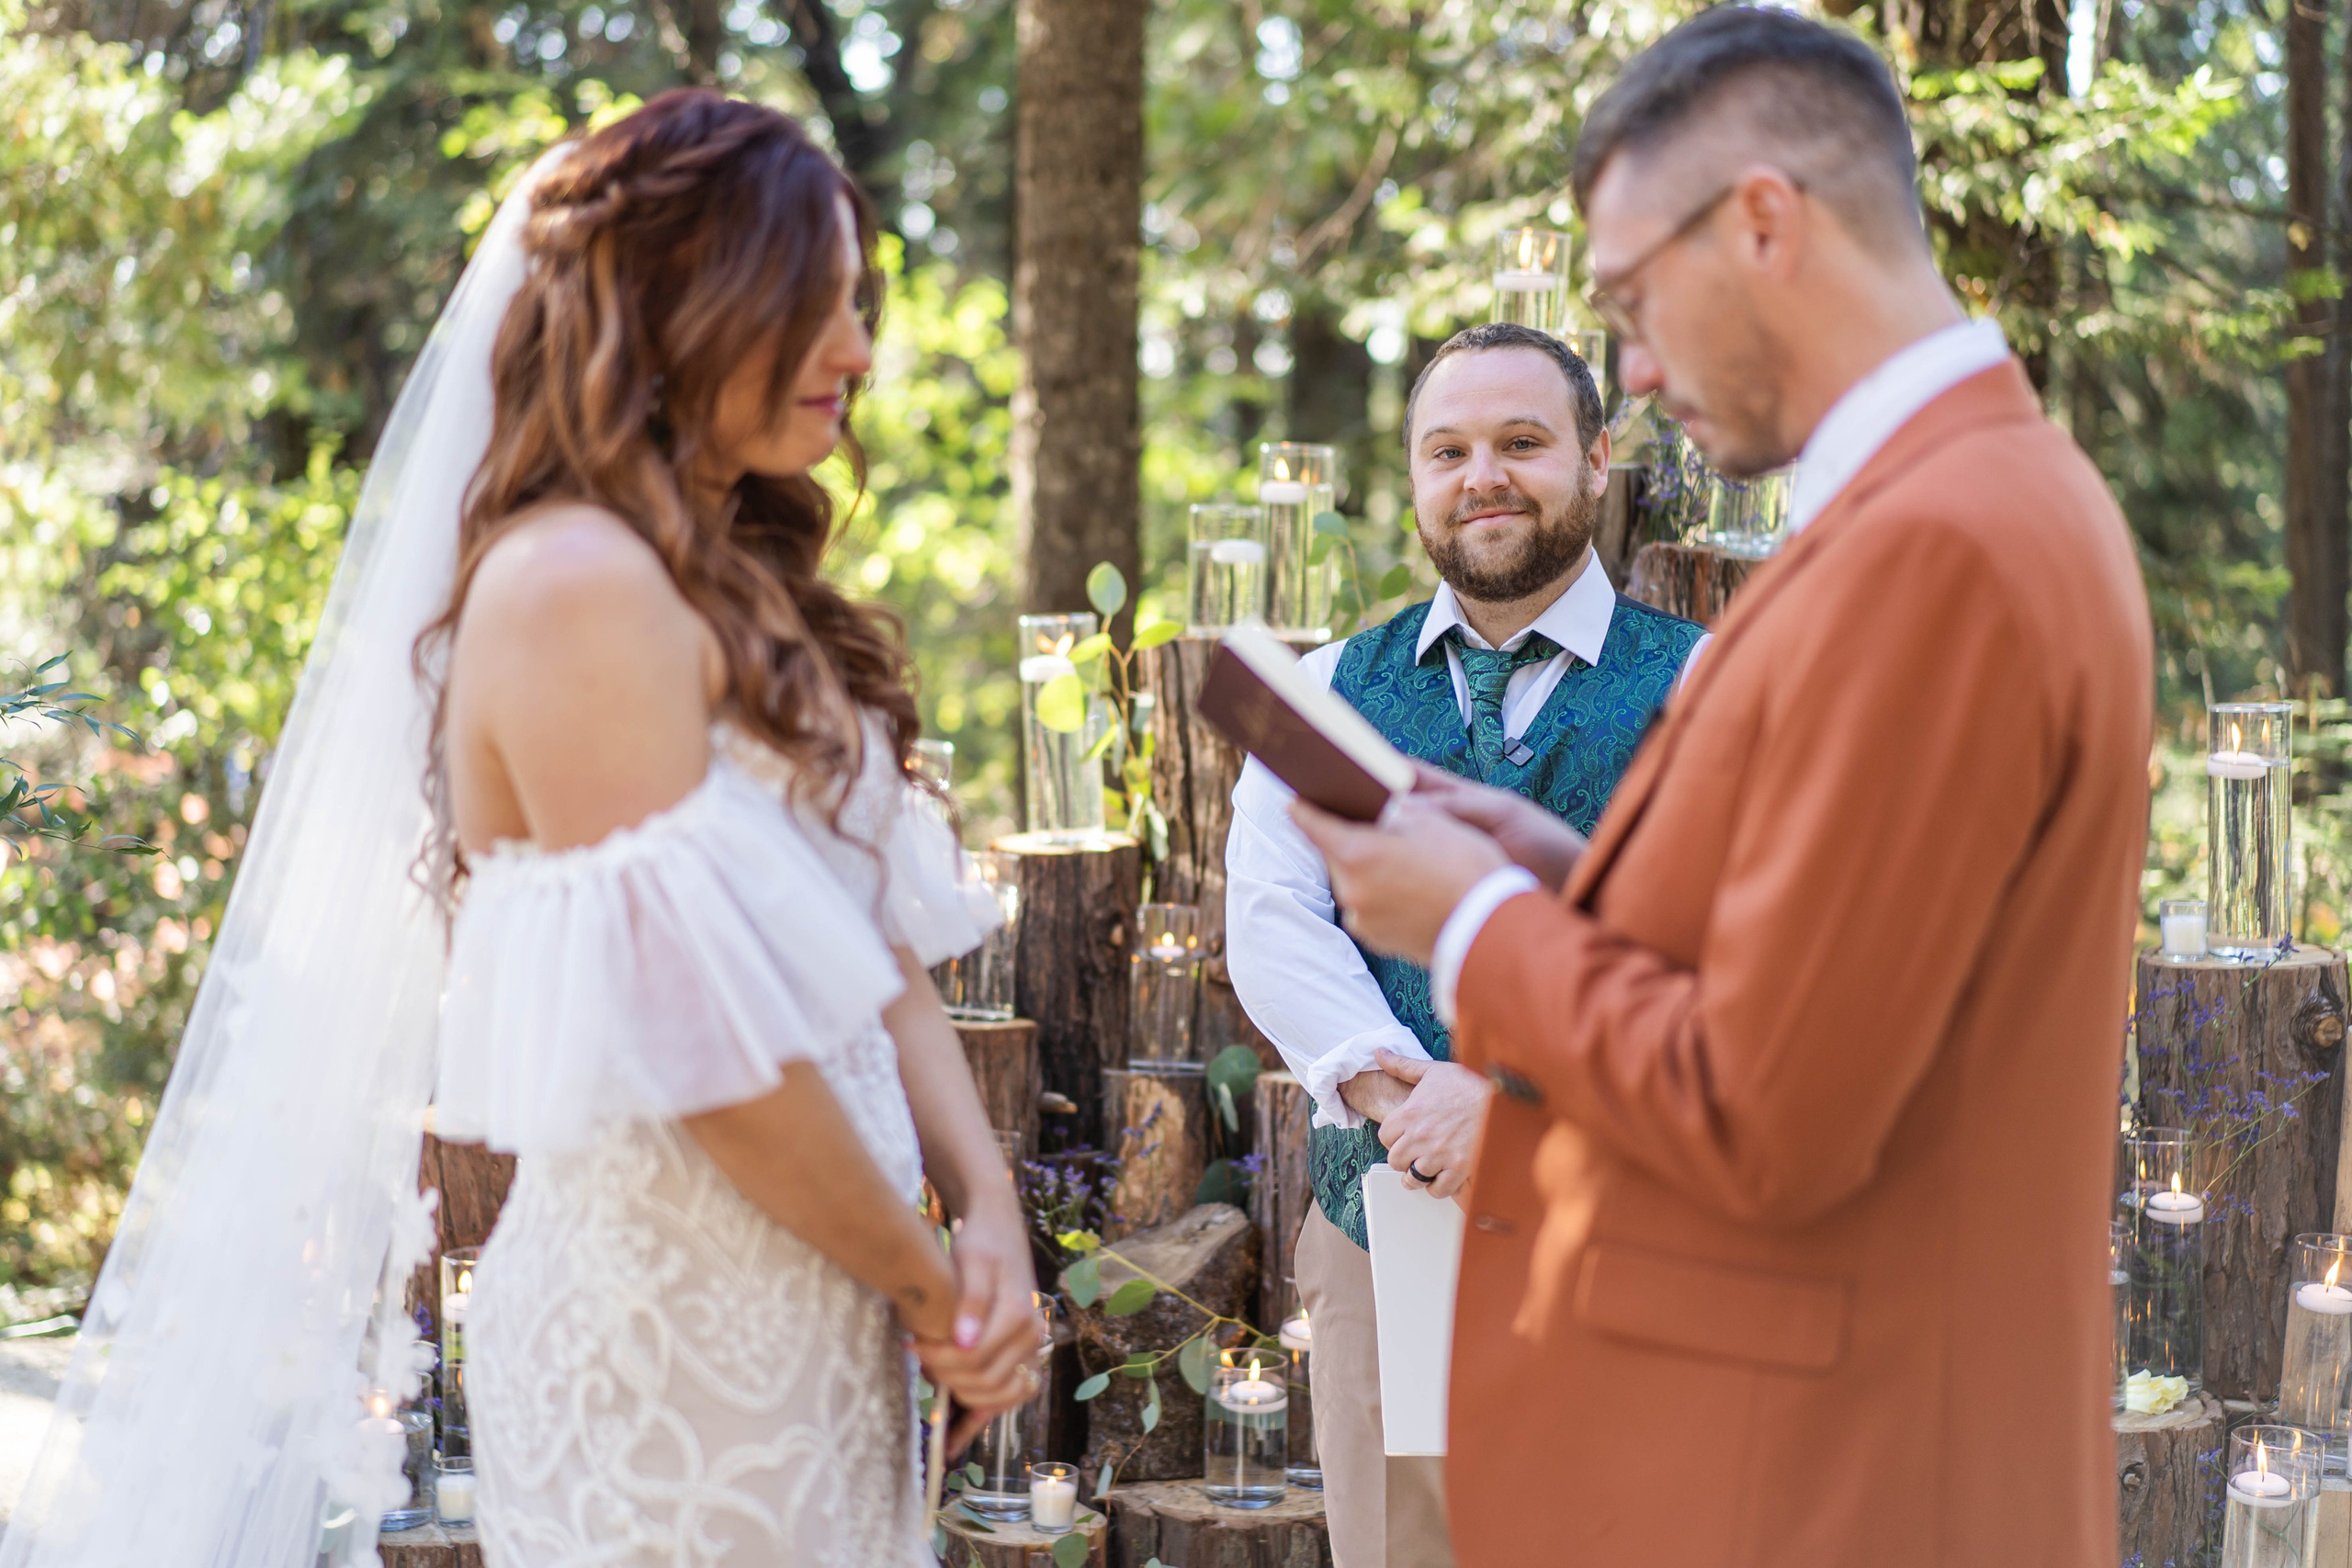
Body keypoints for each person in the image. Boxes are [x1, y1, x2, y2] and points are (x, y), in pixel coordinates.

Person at [1, 95, 1036, 1568]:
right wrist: (934, 1293)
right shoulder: (572, 586)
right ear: (676, 307)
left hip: (836, 1292)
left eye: (852, 307)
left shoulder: (743, 576)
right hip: (673, 1328)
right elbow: (706, 1058)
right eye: (812, 309)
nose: (857, 354)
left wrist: (986, 1210)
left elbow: (878, 950)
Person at [1292, 10, 2152, 1567]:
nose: (1628, 363)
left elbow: (1772, 1111)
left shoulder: (1935, 551)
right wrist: (1565, 873)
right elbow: (1849, 972)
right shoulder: (1956, 502)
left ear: (1760, 220)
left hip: (1843, 1478)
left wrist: (1476, 922)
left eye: (1630, 301)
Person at [1225, 321, 1706, 1568]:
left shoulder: (1716, 687)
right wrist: (1404, 1101)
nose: (1481, 474)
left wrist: (1515, 1115)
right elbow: (1274, 920)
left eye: (1521, 442)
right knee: (1406, 1550)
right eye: (1448, 450)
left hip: (1634, 1224)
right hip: (1385, 1212)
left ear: (1596, 460)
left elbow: (1730, 957)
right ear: (1417, 477)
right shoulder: (1328, 687)